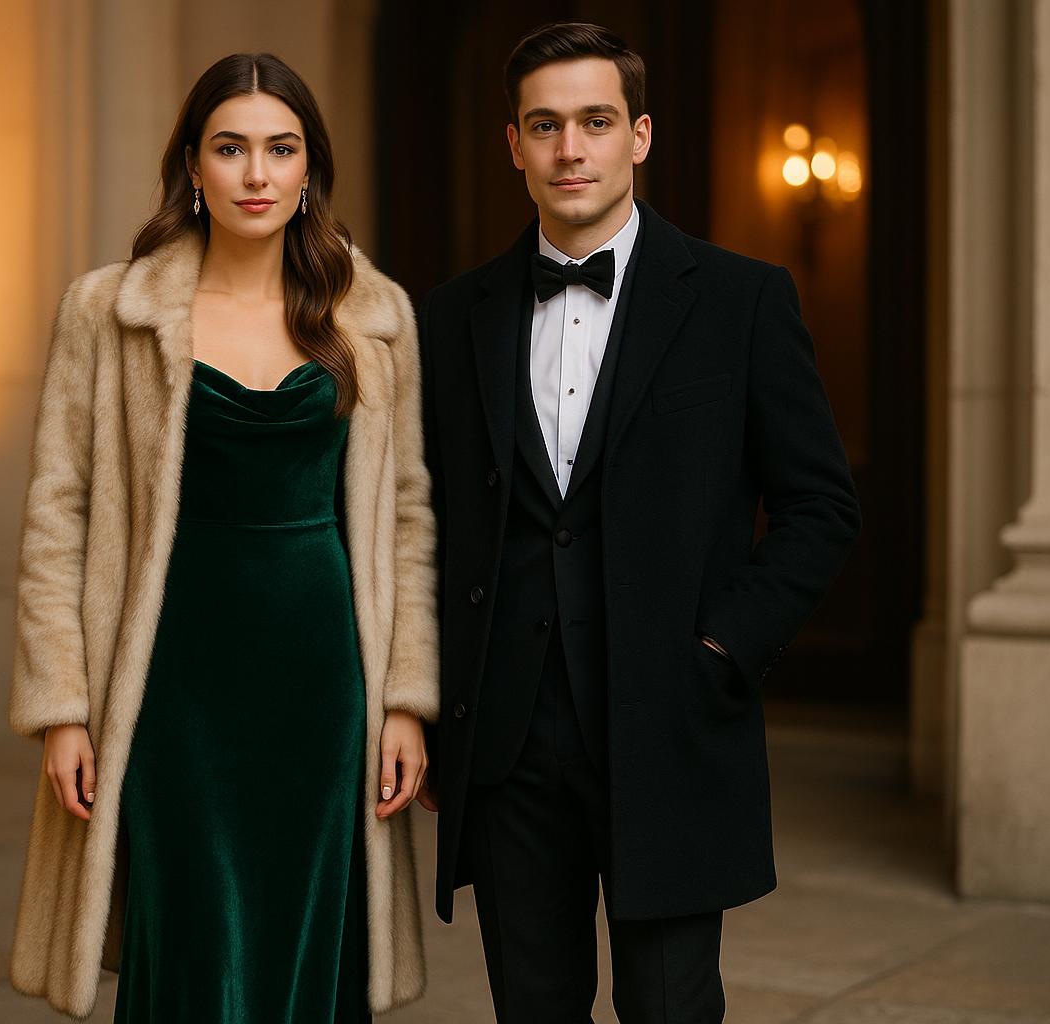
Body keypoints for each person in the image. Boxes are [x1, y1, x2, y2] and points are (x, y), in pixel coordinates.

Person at [417, 21, 862, 1023]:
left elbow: (821, 508)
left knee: (670, 1007)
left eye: (595, 121)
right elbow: (428, 520)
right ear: (514, 145)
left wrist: (722, 645)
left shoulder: (743, 301)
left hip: (671, 722)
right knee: (533, 1006)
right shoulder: (453, 318)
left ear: (641, 135)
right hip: (511, 741)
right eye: (545, 125)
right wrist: (433, 700)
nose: (570, 148)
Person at [4, 52, 439, 1023]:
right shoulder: (108, 312)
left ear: (308, 169)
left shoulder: (374, 318)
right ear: (191, 167)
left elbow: (409, 512)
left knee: (306, 928)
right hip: (167, 683)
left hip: (326, 683)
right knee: (193, 928)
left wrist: (407, 699)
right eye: (231, 147)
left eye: (280, 150)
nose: (256, 174)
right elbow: (56, 510)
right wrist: (63, 706)